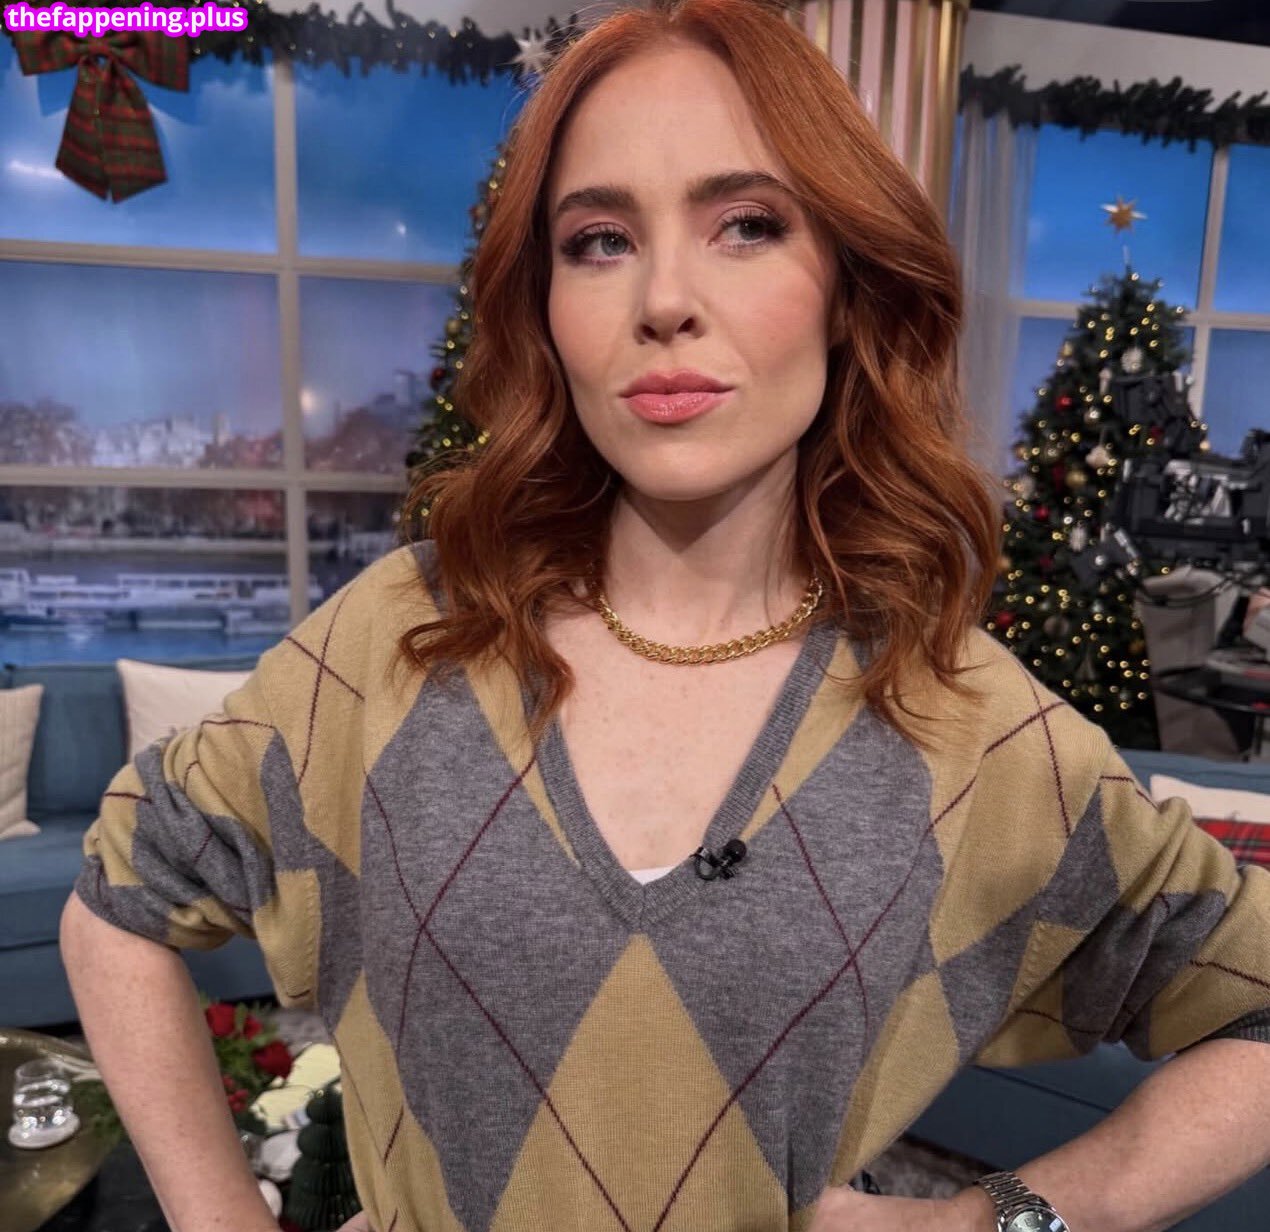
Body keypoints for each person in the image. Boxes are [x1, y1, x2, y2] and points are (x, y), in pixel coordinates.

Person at [61, 1, 1270, 1230]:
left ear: (845, 286)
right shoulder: (403, 637)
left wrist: (1002, 1216)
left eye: (747, 224)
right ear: (545, 305)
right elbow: (118, 899)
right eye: (599, 240)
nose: (665, 299)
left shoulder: (963, 719)